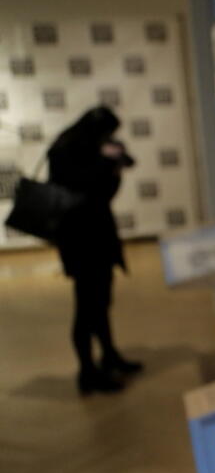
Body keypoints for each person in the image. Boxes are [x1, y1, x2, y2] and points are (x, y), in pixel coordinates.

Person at [47, 106, 142, 394]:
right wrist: (107, 164)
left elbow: (106, 187)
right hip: (81, 240)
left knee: (100, 303)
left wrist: (113, 162)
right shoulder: (66, 150)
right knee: (87, 308)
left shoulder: (88, 146)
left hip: (96, 236)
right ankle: (87, 372)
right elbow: (85, 189)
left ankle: (109, 356)